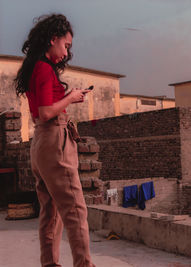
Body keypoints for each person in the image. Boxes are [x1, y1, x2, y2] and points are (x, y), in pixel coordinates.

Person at [14, 14, 95, 267]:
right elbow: (47, 112)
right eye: (66, 46)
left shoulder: (34, 67)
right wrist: (71, 98)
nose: (66, 52)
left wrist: (70, 96)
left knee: (50, 212)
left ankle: (50, 264)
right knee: (75, 209)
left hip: (40, 143)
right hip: (53, 138)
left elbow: (38, 112)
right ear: (53, 39)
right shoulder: (44, 68)